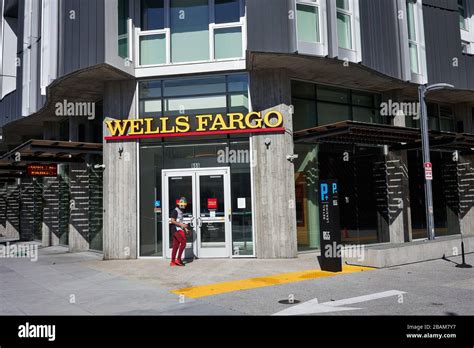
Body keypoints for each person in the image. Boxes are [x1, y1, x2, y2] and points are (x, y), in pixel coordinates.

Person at [170, 197, 190, 267]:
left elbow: (180, 222)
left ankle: (172, 261)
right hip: (175, 230)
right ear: (179, 204)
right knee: (183, 243)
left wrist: (185, 229)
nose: (183, 206)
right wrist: (182, 225)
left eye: (184, 205)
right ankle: (178, 259)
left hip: (179, 229)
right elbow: (172, 220)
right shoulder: (175, 211)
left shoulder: (181, 211)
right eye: (182, 204)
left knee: (175, 246)